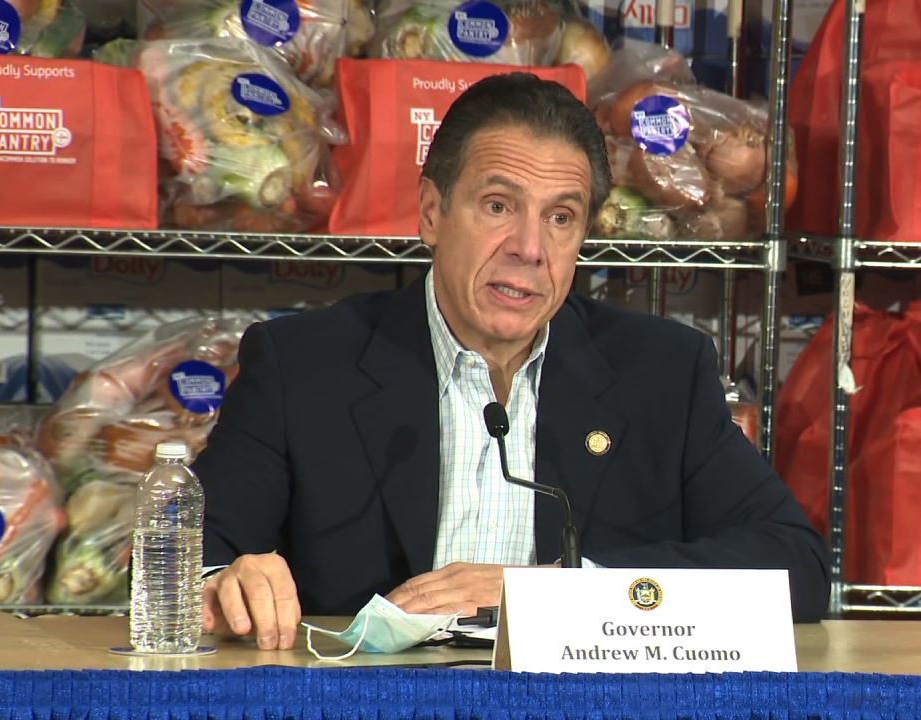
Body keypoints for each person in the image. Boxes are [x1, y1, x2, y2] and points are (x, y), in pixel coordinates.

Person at [193, 72, 830, 651]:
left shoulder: (661, 372)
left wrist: (560, 592)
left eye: (561, 217)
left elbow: (796, 568)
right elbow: (181, 557)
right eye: (499, 206)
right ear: (432, 213)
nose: (529, 248)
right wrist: (226, 581)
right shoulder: (304, 365)